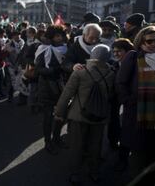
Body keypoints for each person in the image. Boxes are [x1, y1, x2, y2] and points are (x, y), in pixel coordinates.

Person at [55, 44, 115, 184]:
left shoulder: (80, 72)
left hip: (79, 115)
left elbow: (67, 94)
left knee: (77, 145)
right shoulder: (111, 73)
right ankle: (94, 172)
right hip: (100, 116)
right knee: (95, 145)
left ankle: (75, 173)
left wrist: (59, 112)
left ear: (92, 55)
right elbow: (111, 95)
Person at [116, 25, 155, 177]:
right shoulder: (133, 57)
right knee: (134, 147)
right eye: (149, 41)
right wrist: (128, 101)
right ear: (141, 42)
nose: (154, 44)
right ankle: (123, 163)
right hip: (136, 110)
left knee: (153, 149)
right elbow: (121, 82)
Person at [34, 25, 68, 154]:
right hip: (47, 86)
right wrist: (54, 70)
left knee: (61, 115)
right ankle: (48, 142)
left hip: (62, 86)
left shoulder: (65, 49)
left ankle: (57, 138)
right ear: (51, 37)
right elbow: (38, 69)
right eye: (57, 36)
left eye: (61, 35)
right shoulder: (43, 49)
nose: (60, 38)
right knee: (48, 117)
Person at [110, 38, 135, 171]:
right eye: (114, 52)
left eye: (119, 51)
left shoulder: (136, 64)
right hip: (119, 100)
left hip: (131, 102)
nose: (116, 54)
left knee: (128, 128)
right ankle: (118, 151)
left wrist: (127, 99)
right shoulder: (114, 65)